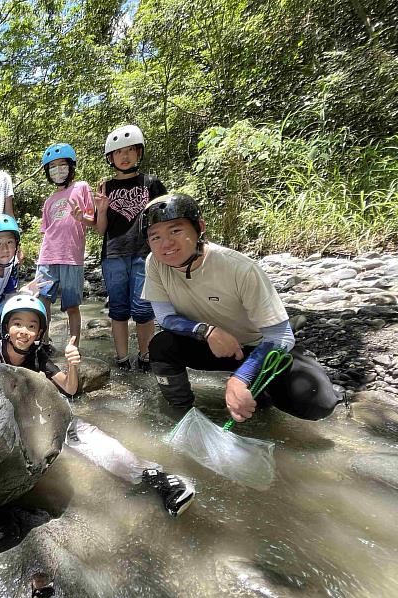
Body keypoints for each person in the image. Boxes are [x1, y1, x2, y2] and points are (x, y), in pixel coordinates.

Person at [0, 295, 196, 517]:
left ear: (39, 333)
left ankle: (158, 480)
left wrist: (72, 365)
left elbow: (69, 389)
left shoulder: (38, 355)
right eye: (17, 324)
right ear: (6, 327)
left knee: (95, 442)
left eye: (32, 326)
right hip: (8, 423)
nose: (24, 331)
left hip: (43, 417)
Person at [140, 193, 342, 422]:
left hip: (258, 347)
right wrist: (206, 331)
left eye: (176, 231)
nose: (166, 244)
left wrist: (241, 378)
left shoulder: (238, 267)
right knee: (161, 345)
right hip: (213, 346)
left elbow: (280, 335)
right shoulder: (155, 263)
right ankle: (181, 415)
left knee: (317, 402)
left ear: (199, 228)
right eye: (155, 237)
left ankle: (260, 389)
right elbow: (165, 317)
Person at [94, 124, 165, 373]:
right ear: (110, 157)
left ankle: (146, 357)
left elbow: (163, 219)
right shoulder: (106, 188)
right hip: (113, 254)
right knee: (119, 309)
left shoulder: (151, 183)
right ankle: (122, 359)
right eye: (118, 152)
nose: (124, 156)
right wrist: (101, 208)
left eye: (130, 150)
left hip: (144, 253)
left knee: (144, 309)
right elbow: (100, 229)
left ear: (138, 153)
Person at [36, 143, 95, 345]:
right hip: (47, 256)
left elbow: (92, 220)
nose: (58, 170)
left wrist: (81, 218)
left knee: (72, 306)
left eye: (62, 164)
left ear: (71, 166)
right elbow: (46, 231)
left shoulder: (82, 187)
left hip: (71, 256)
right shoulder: (49, 200)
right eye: (52, 166)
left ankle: (74, 347)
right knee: (42, 301)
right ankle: (43, 343)